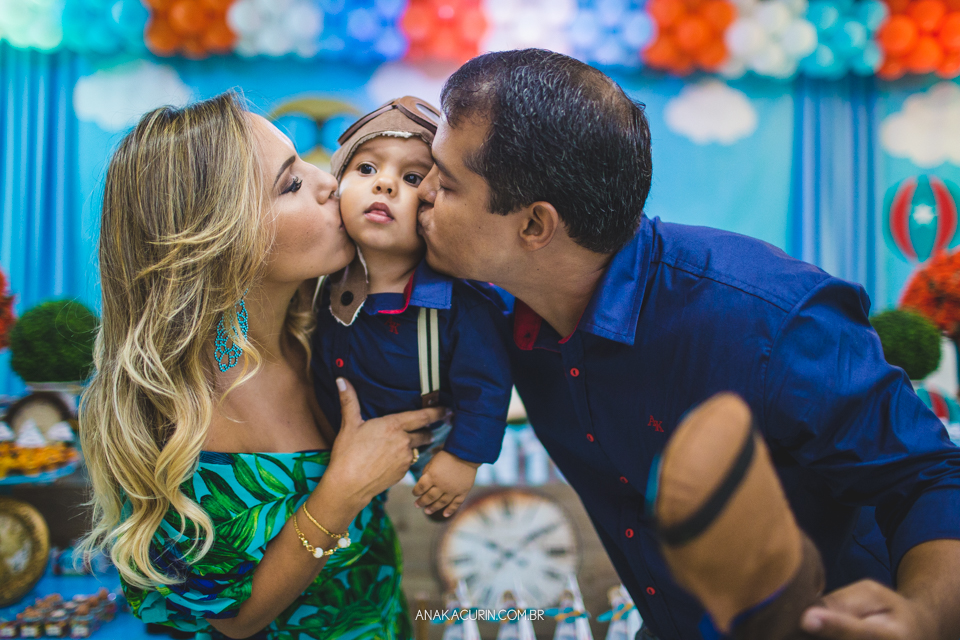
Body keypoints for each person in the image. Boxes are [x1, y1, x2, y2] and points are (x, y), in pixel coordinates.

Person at [416, 49, 960, 640]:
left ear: (533, 226)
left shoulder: (765, 317)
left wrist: (924, 615)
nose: (417, 195)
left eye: (443, 184)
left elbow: (930, 475)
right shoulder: (492, 315)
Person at [78, 91, 443, 640]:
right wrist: (341, 491)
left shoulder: (326, 330)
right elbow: (231, 622)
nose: (330, 183)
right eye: (292, 183)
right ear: (218, 239)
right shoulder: (176, 413)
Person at [312, 96, 512, 518]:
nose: (384, 185)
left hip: (431, 428)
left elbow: (486, 389)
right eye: (366, 169)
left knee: (434, 498)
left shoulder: (459, 300)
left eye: (412, 177)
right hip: (330, 438)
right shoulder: (315, 279)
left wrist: (462, 460)